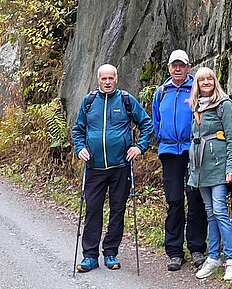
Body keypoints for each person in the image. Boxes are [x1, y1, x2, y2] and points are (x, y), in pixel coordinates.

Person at [72, 63, 153, 273]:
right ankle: (89, 256)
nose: (107, 82)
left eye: (111, 78)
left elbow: (146, 124)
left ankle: (110, 252)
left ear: (116, 79)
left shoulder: (126, 100)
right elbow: (78, 130)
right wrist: (80, 148)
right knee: (92, 210)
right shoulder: (89, 102)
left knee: (118, 209)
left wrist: (139, 147)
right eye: (103, 79)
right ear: (98, 80)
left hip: (121, 166)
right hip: (94, 167)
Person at [152, 49, 208, 271]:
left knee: (195, 198)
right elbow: (156, 119)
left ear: (188, 67)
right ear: (169, 68)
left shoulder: (196, 89)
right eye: (174, 65)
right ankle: (174, 252)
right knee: (174, 201)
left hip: (192, 150)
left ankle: (196, 248)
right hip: (169, 152)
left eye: (181, 65)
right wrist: (163, 138)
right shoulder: (162, 91)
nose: (177, 69)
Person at [188, 67, 232, 281]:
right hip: (200, 168)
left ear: (215, 81)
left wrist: (231, 168)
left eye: (209, 79)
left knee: (220, 210)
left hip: (219, 166)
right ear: (197, 84)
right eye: (201, 80)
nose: (206, 82)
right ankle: (213, 257)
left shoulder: (224, 104)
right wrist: (192, 169)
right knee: (210, 213)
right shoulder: (196, 107)